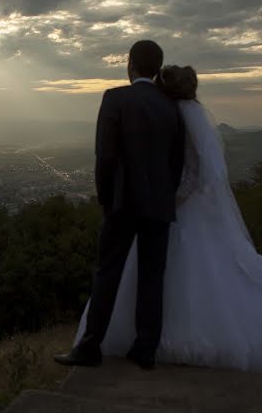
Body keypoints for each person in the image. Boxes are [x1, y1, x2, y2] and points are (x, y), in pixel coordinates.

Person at [68, 64, 262, 413]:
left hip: (181, 211)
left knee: (175, 273)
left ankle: (151, 343)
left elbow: (202, 175)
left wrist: (170, 197)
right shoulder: (186, 113)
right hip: (178, 212)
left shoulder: (181, 116)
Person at [54, 40, 185, 370]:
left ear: (130, 64)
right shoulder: (170, 105)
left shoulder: (115, 98)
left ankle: (90, 346)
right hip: (159, 204)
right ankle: (145, 349)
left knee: (107, 272)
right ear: (157, 67)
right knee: (153, 276)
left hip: (122, 203)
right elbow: (176, 162)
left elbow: (106, 157)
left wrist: (105, 199)